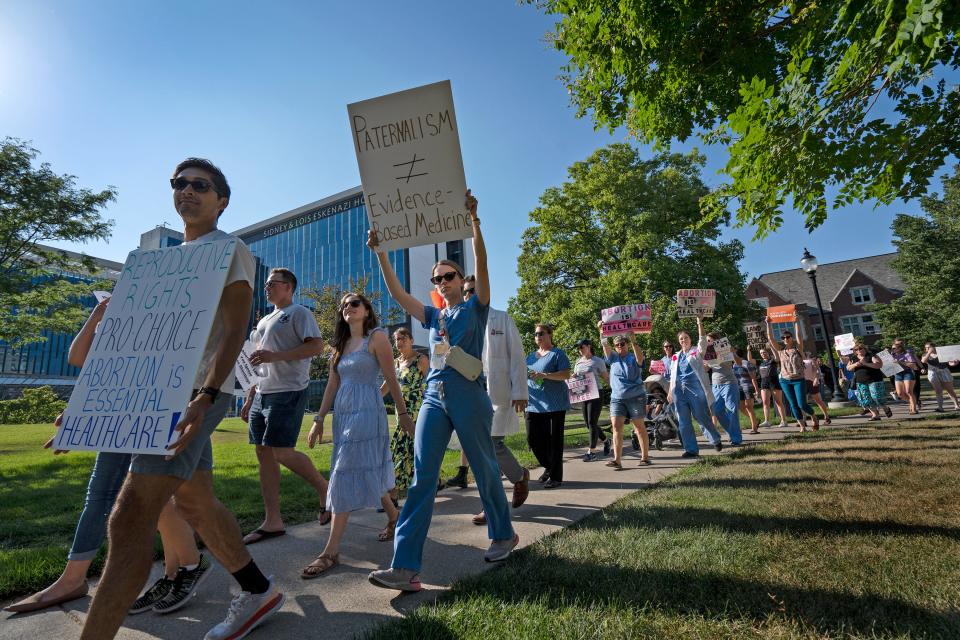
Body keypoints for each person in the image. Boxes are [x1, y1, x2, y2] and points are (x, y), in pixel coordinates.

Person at [79, 158, 282, 640]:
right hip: (153, 392)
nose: (186, 191)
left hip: (195, 395)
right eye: (178, 184)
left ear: (221, 200)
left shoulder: (230, 249)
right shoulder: (157, 265)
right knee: (194, 500)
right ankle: (259, 591)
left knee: (130, 516)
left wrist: (208, 395)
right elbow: (131, 342)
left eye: (200, 185)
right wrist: (89, 405)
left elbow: (235, 330)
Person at [4, 299, 211, 616]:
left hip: (159, 418)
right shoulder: (114, 324)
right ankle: (75, 578)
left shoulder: (164, 322)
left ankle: (184, 568)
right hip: (120, 420)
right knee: (103, 494)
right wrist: (97, 315)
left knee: (156, 500)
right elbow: (84, 362)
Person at [368, 191, 518, 593]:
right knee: (421, 480)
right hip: (434, 396)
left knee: (485, 468)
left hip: (469, 394)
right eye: (436, 278)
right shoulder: (433, 316)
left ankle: (503, 535)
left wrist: (475, 223)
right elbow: (399, 295)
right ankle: (404, 567)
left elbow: (482, 265)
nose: (441, 282)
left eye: (448, 276)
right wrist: (382, 253)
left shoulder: (477, 307)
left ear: (460, 280)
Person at [301, 293, 411, 577]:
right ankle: (394, 516)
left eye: (354, 303)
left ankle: (330, 551)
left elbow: (391, 377)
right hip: (344, 414)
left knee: (343, 470)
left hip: (368, 411)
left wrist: (403, 414)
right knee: (362, 468)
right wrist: (319, 419)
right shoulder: (337, 346)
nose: (347, 307)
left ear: (366, 310)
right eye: (344, 305)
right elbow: (331, 386)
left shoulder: (377, 337)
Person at [240, 268, 330, 545]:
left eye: (273, 284)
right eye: (266, 284)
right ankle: (273, 521)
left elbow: (317, 346)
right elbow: (257, 362)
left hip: (289, 390)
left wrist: (275, 356)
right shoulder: (263, 321)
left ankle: (326, 491)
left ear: (289, 287)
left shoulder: (298, 313)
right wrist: (249, 397)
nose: (267, 287)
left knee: (282, 453)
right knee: (263, 453)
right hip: (262, 394)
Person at [460, 276, 531, 526]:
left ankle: (496, 500)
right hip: (470, 394)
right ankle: (518, 475)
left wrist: (520, 391)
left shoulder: (502, 318)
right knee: (482, 450)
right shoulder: (460, 323)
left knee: (489, 446)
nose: (469, 296)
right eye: (466, 292)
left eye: (473, 291)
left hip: (497, 393)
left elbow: (517, 356)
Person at [380, 327, 428, 502]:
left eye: (403, 338)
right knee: (409, 449)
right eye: (396, 339)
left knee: (404, 448)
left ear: (411, 340)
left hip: (417, 411)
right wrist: (372, 399)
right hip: (400, 411)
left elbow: (431, 384)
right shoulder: (395, 362)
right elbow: (387, 386)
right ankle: (431, 480)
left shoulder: (421, 360)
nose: (399, 342)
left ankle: (394, 493)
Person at [667, 315, 724, 458]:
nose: (683, 341)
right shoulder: (675, 356)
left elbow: (703, 342)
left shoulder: (696, 352)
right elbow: (673, 377)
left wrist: (699, 322)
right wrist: (670, 392)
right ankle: (691, 449)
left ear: (690, 339)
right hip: (679, 392)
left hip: (696, 390)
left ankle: (715, 439)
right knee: (683, 422)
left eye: (686, 338)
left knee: (701, 417)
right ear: (679, 342)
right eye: (681, 339)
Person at [524, 323, 572, 488]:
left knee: (554, 442)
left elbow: (566, 374)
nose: (538, 337)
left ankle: (556, 476)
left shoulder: (557, 354)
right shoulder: (530, 356)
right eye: (536, 334)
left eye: (541, 333)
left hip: (554, 405)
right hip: (533, 404)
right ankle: (550, 467)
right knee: (533, 439)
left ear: (550, 335)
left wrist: (545, 375)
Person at [598, 328, 651, 468]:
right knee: (616, 426)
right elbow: (604, 344)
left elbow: (640, 359)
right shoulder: (613, 358)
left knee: (639, 426)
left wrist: (633, 340)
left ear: (627, 344)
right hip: (617, 398)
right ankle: (617, 460)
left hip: (636, 397)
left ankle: (645, 457)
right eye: (617, 345)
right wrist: (601, 331)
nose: (620, 346)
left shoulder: (633, 357)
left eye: (622, 343)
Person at [765, 319, 819, 432]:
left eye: (788, 337)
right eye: (783, 338)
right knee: (793, 404)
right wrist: (768, 323)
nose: (785, 339)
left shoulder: (798, 349)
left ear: (791, 338)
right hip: (785, 380)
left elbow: (799, 336)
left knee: (801, 404)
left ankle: (813, 416)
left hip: (798, 379)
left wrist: (796, 322)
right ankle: (802, 426)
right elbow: (770, 338)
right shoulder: (780, 350)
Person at [703, 330, 744, 446]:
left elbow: (739, 363)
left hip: (729, 383)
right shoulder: (707, 352)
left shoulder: (725, 348)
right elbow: (706, 370)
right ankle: (732, 432)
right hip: (715, 384)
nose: (708, 343)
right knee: (717, 410)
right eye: (707, 341)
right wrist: (704, 365)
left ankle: (736, 438)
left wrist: (732, 352)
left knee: (732, 410)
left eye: (710, 340)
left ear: (716, 340)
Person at [574, 338, 609, 461]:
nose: (580, 350)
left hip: (596, 394)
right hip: (584, 394)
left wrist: (615, 390)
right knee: (588, 424)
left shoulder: (598, 361)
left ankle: (591, 452)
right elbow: (576, 378)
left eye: (582, 347)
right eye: (578, 348)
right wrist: (574, 377)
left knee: (592, 422)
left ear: (589, 346)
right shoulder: (578, 362)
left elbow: (606, 378)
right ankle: (605, 440)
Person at [847, 344, 891, 420]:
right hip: (860, 381)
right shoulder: (853, 358)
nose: (858, 351)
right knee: (865, 399)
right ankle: (875, 415)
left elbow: (879, 365)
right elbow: (848, 368)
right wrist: (856, 364)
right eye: (856, 350)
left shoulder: (871, 355)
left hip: (874, 380)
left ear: (865, 348)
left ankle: (885, 408)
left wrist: (865, 363)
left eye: (860, 348)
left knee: (877, 397)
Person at [921, 343, 960, 412]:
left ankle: (957, 405)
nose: (927, 349)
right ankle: (940, 407)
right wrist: (929, 352)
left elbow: (950, 363)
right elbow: (923, 361)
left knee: (950, 390)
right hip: (933, 373)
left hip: (944, 372)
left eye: (929, 347)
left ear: (934, 347)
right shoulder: (925, 355)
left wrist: (955, 363)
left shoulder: (942, 353)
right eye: (926, 348)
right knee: (938, 391)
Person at [757, 348, 789, 428]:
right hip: (764, 383)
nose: (763, 354)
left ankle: (783, 421)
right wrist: (749, 350)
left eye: (764, 352)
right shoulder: (760, 362)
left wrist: (771, 346)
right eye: (761, 353)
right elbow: (750, 360)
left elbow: (777, 357)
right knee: (765, 402)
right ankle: (767, 421)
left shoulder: (772, 360)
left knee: (778, 401)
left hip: (774, 382)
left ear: (768, 353)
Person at [733, 348, 761, 434]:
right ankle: (756, 420)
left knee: (749, 407)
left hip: (748, 387)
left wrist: (757, 390)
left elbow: (753, 378)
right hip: (739, 388)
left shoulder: (747, 363)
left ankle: (754, 428)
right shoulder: (734, 365)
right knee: (741, 408)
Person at [890, 339, 920, 415]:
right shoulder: (892, 356)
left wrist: (899, 362)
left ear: (899, 348)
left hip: (907, 373)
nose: (892, 349)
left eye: (894, 348)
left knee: (909, 391)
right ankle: (913, 401)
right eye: (892, 348)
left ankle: (914, 409)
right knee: (900, 394)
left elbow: (913, 365)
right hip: (898, 374)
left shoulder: (907, 354)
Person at [803, 352, 832, 424]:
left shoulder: (810, 360)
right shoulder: (797, 361)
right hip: (802, 382)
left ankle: (826, 417)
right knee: (803, 402)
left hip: (812, 382)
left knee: (818, 400)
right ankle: (803, 420)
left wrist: (816, 379)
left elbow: (817, 371)